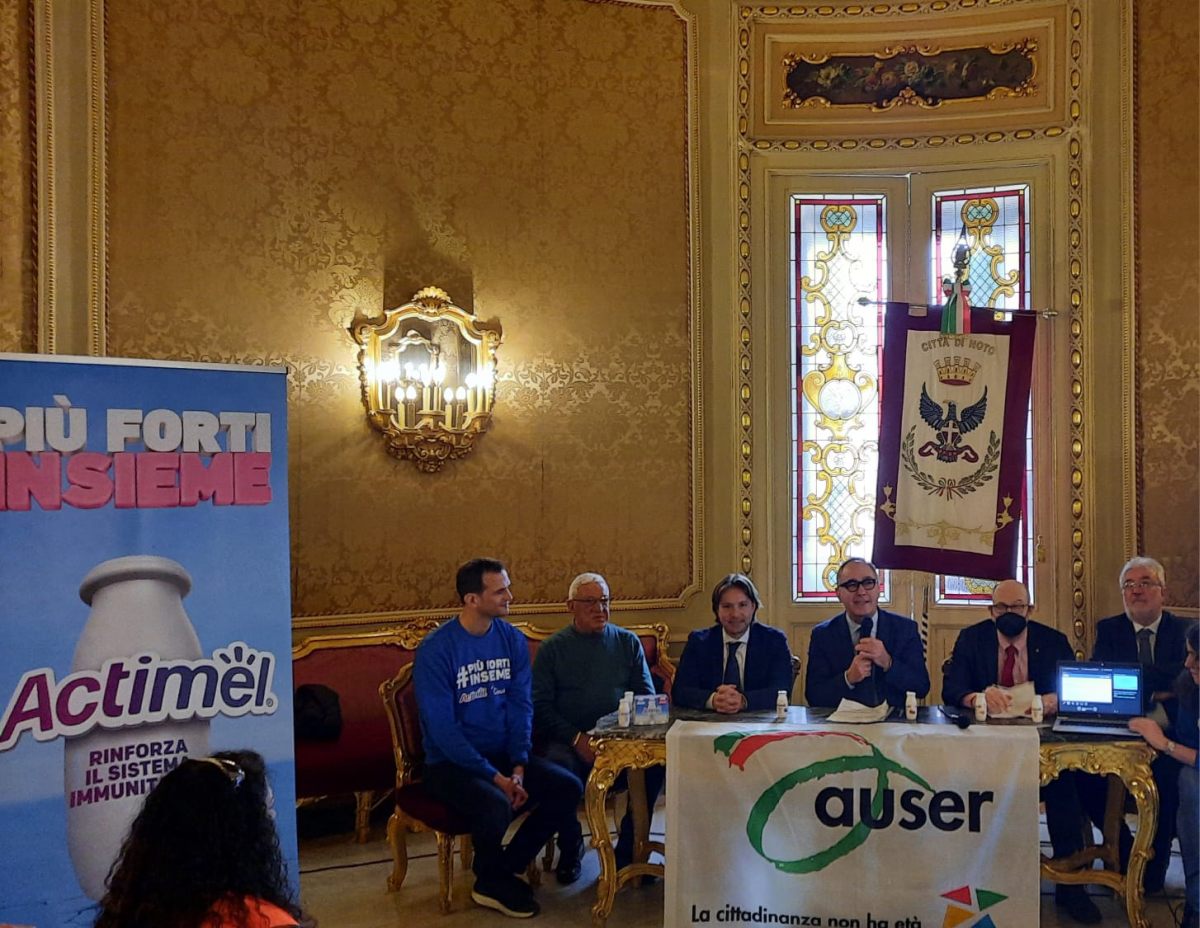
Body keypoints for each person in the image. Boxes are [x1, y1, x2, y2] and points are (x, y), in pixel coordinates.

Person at [414, 557, 582, 918]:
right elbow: (443, 731)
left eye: (508, 587)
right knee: (494, 802)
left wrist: (518, 765)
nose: (510, 596)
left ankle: (499, 871)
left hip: (503, 754)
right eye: (500, 591)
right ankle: (492, 882)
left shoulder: (511, 639)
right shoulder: (436, 649)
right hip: (449, 764)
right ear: (472, 599)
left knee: (567, 787)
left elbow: (521, 706)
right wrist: (496, 778)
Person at [940, 579, 1100, 924]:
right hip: (986, 748)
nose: (1009, 613)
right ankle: (977, 879)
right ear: (991, 611)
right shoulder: (972, 638)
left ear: (1030, 609)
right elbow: (951, 688)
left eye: (1017, 606)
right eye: (1002, 607)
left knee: (1064, 788)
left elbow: (1072, 687)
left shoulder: (1053, 640)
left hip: (1042, 744)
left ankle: (1071, 887)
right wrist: (976, 696)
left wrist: (1055, 699)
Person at [532, 572, 665, 878]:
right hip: (569, 741)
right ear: (571, 606)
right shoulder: (552, 649)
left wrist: (619, 742)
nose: (600, 609)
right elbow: (540, 708)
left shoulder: (627, 642)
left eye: (604, 601)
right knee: (560, 775)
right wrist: (577, 739)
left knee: (655, 767)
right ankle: (571, 848)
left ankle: (630, 850)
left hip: (621, 741)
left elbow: (646, 698)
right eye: (590, 602)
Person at [1083, 556, 1196, 894]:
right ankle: (1122, 849)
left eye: (1145, 583)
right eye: (1129, 585)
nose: (1136, 591)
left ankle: (1154, 866)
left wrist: (1132, 681)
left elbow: (1182, 678)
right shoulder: (1110, 629)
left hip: (1172, 732)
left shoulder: (1184, 630)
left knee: (1168, 785)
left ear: (1163, 591)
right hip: (1120, 725)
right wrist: (1158, 686)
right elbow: (1102, 677)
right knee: (1083, 777)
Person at [94, 749, 301, 928]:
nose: (273, 816)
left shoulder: (134, 911)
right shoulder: (265, 921)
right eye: (267, 809)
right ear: (244, 833)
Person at [1127, 622, 1199, 928]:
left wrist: (1164, 744)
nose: (1188, 663)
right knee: (1181, 780)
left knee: (1190, 783)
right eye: (1188, 654)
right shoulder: (1189, 686)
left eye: (1197, 656)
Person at [805, 558, 930, 709]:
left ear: (878, 588)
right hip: (842, 720)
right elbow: (813, 695)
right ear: (838, 594)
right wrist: (848, 678)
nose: (861, 592)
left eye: (868, 583)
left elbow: (921, 687)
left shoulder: (905, 629)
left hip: (893, 719)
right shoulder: (823, 635)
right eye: (852, 585)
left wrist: (888, 663)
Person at [674, 573, 793, 713]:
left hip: (757, 721)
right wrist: (713, 700)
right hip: (709, 721)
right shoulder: (699, 642)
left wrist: (743, 701)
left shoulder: (774, 641)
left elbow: (781, 691)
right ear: (717, 610)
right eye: (727, 606)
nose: (735, 614)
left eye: (742, 605)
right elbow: (680, 691)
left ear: (753, 607)